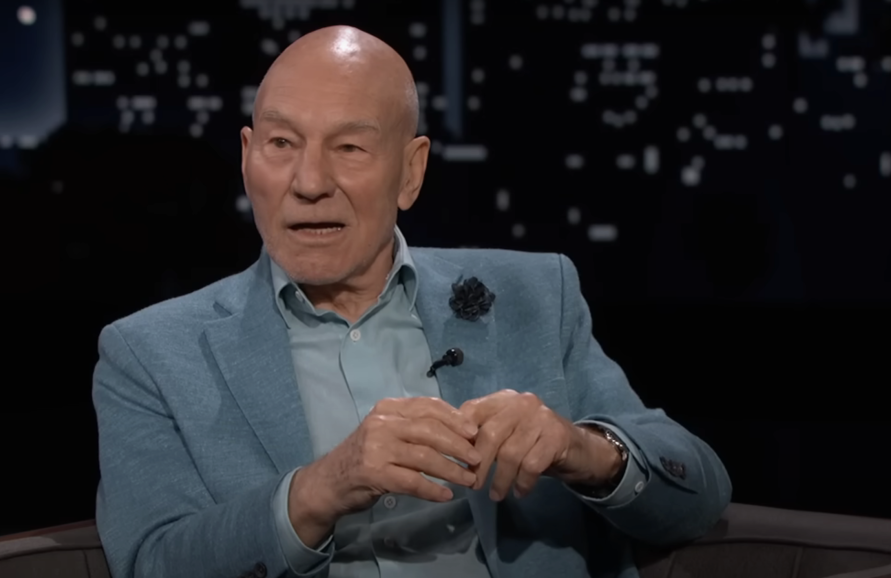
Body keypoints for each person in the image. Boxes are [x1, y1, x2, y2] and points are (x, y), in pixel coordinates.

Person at [92, 25, 731, 578]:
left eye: (349, 148)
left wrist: (582, 449)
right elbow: (153, 563)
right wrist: (321, 489)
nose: (309, 183)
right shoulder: (150, 355)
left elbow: (699, 494)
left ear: (411, 172)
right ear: (247, 157)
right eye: (282, 144)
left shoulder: (535, 296)